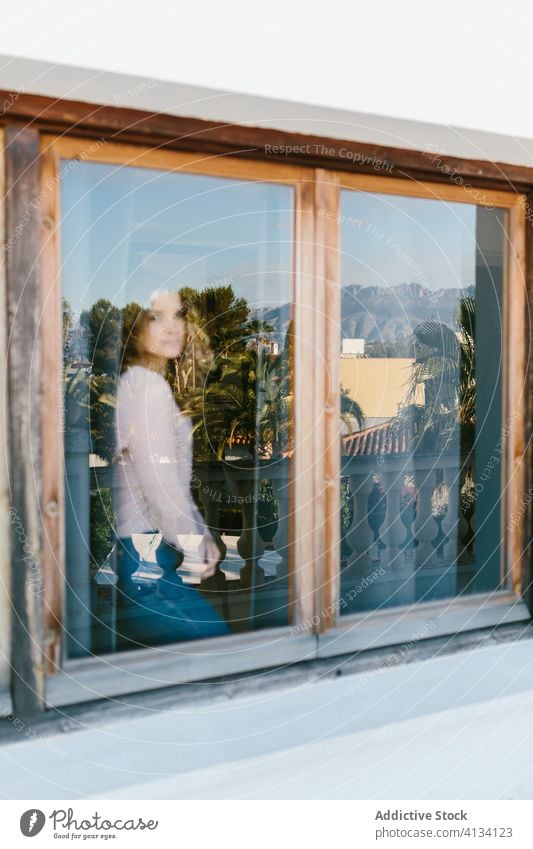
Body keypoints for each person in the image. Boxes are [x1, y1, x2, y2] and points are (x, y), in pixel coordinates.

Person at [112, 289, 229, 647]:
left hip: (146, 554)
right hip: (145, 557)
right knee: (225, 657)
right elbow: (159, 483)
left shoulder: (144, 383)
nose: (171, 326)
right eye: (156, 316)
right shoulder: (147, 388)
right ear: (135, 328)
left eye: (178, 315)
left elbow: (170, 483)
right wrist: (195, 540)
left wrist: (197, 531)